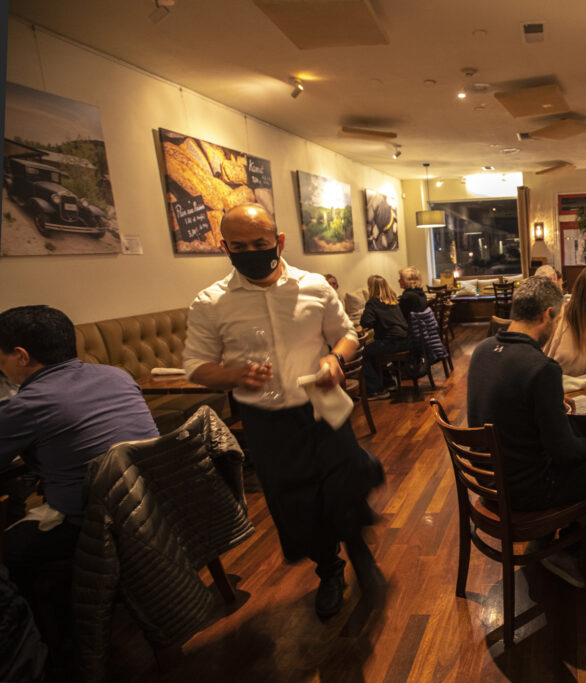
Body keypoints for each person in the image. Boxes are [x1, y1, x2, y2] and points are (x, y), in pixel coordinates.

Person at [183, 203, 384, 620]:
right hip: (267, 422)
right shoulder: (211, 302)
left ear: (279, 241)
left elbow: (345, 335)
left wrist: (335, 360)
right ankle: (329, 570)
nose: (252, 251)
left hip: (322, 408)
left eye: (260, 243)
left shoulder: (314, 286)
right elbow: (196, 368)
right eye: (240, 246)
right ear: (225, 247)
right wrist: (234, 374)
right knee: (297, 504)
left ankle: (359, 548)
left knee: (343, 485)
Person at [0, 305, 159, 673]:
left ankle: (53, 646)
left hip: (93, 525)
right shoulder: (115, 375)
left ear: (21, 356)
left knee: (7, 554)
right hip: (151, 504)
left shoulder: (30, 403)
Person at [467, 277, 586, 587]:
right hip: (527, 489)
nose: (555, 325)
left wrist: (552, 408)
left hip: (488, 479)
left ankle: (553, 538)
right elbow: (565, 452)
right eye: (556, 318)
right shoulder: (540, 367)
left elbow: (508, 409)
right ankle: (569, 549)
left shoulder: (482, 350)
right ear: (546, 315)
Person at [360, 274, 411, 399]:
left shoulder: (373, 303)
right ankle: (388, 383)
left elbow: (366, 323)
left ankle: (376, 390)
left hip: (391, 342)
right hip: (405, 340)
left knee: (364, 353)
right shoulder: (394, 300)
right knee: (374, 350)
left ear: (371, 288)